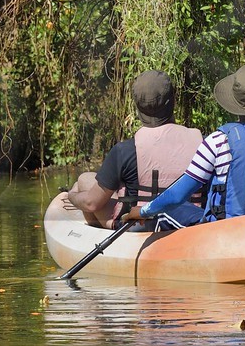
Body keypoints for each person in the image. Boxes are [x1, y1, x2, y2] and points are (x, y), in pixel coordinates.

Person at [132, 62, 245, 230]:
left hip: (230, 232)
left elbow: (177, 196)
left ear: (235, 103)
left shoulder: (219, 141)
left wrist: (142, 211)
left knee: (167, 210)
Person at [67, 71, 203, 228]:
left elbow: (92, 204)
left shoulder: (124, 151)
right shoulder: (204, 143)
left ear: (138, 106)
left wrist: (72, 196)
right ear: (173, 101)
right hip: (190, 226)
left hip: (138, 228)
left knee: (83, 180)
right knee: (90, 179)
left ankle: (95, 232)